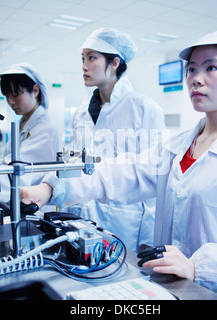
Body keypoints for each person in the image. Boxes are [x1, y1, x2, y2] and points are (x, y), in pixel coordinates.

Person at [20, 28, 217, 299]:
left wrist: (199, 267)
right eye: (192, 68)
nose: (195, 78)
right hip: (171, 289)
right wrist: (52, 187)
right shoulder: (178, 146)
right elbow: (123, 172)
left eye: (211, 68)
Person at [62, 27, 165, 252]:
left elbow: (155, 175)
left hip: (123, 221)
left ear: (115, 62)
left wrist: (150, 237)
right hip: (81, 216)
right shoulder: (81, 111)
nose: (84, 65)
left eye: (92, 58)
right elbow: (72, 161)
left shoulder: (144, 108)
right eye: (82, 58)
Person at [0, 63, 59, 208]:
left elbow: (20, 169)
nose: (10, 101)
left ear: (35, 90)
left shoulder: (45, 127)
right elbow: (8, 161)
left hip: (33, 206)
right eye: (7, 95)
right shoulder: (21, 123)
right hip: (16, 202)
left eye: (16, 94)